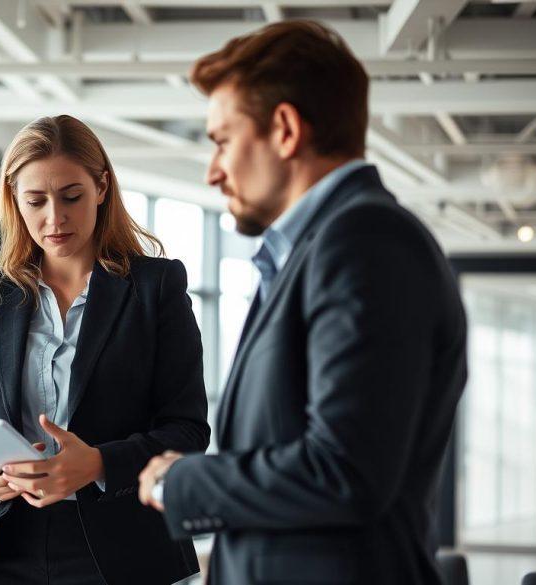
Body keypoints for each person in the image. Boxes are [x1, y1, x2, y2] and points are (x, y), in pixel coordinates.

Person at [137, 21, 467, 585]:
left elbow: (345, 471)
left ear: (285, 130)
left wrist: (182, 481)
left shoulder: (365, 243)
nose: (212, 171)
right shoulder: (318, 250)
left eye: (221, 140)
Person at [0, 115, 211, 585]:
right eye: (35, 201)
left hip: (122, 548)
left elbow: (188, 431)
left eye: (72, 196)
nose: (55, 218)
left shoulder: (155, 288)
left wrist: (97, 463)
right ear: (14, 201)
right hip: (3, 546)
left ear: (102, 188)